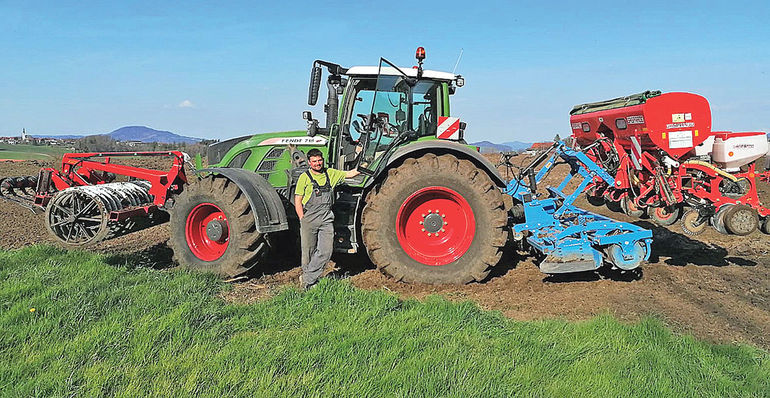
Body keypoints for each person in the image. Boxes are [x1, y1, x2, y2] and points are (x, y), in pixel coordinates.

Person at [294, 148, 360, 290]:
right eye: (314, 161)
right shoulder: (304, 177)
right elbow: (298, 199)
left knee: (326, 250)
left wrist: (364, 167)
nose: (318, 163)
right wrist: (302, 218)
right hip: (309, 218)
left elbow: (350, 174)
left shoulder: (330, 173)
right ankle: (309, 284)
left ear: (322, 160)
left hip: (326, 218)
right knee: (308, 252)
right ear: (309, 163)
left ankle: (306, 278)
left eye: (319, 160)